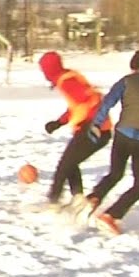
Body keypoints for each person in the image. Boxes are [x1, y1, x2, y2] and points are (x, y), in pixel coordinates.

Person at [76, 49, 139, 236]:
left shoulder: (125, 81)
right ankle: (111, 215)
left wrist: (97, 123)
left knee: (115, 173)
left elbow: (107, 103)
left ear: (133, 66)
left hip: (122, 135)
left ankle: (94, 197)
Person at [38, 50, 113, 206]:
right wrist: (59, 122)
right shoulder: (66, 77)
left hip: (94, 129)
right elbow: (78, 104)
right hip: (96, 129)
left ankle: (53, 202)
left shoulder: (67, 82)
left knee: (64, 167)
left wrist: (93, 123)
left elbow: (94, 98)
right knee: (70, 163)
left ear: (48, 70)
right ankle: (77, 198)